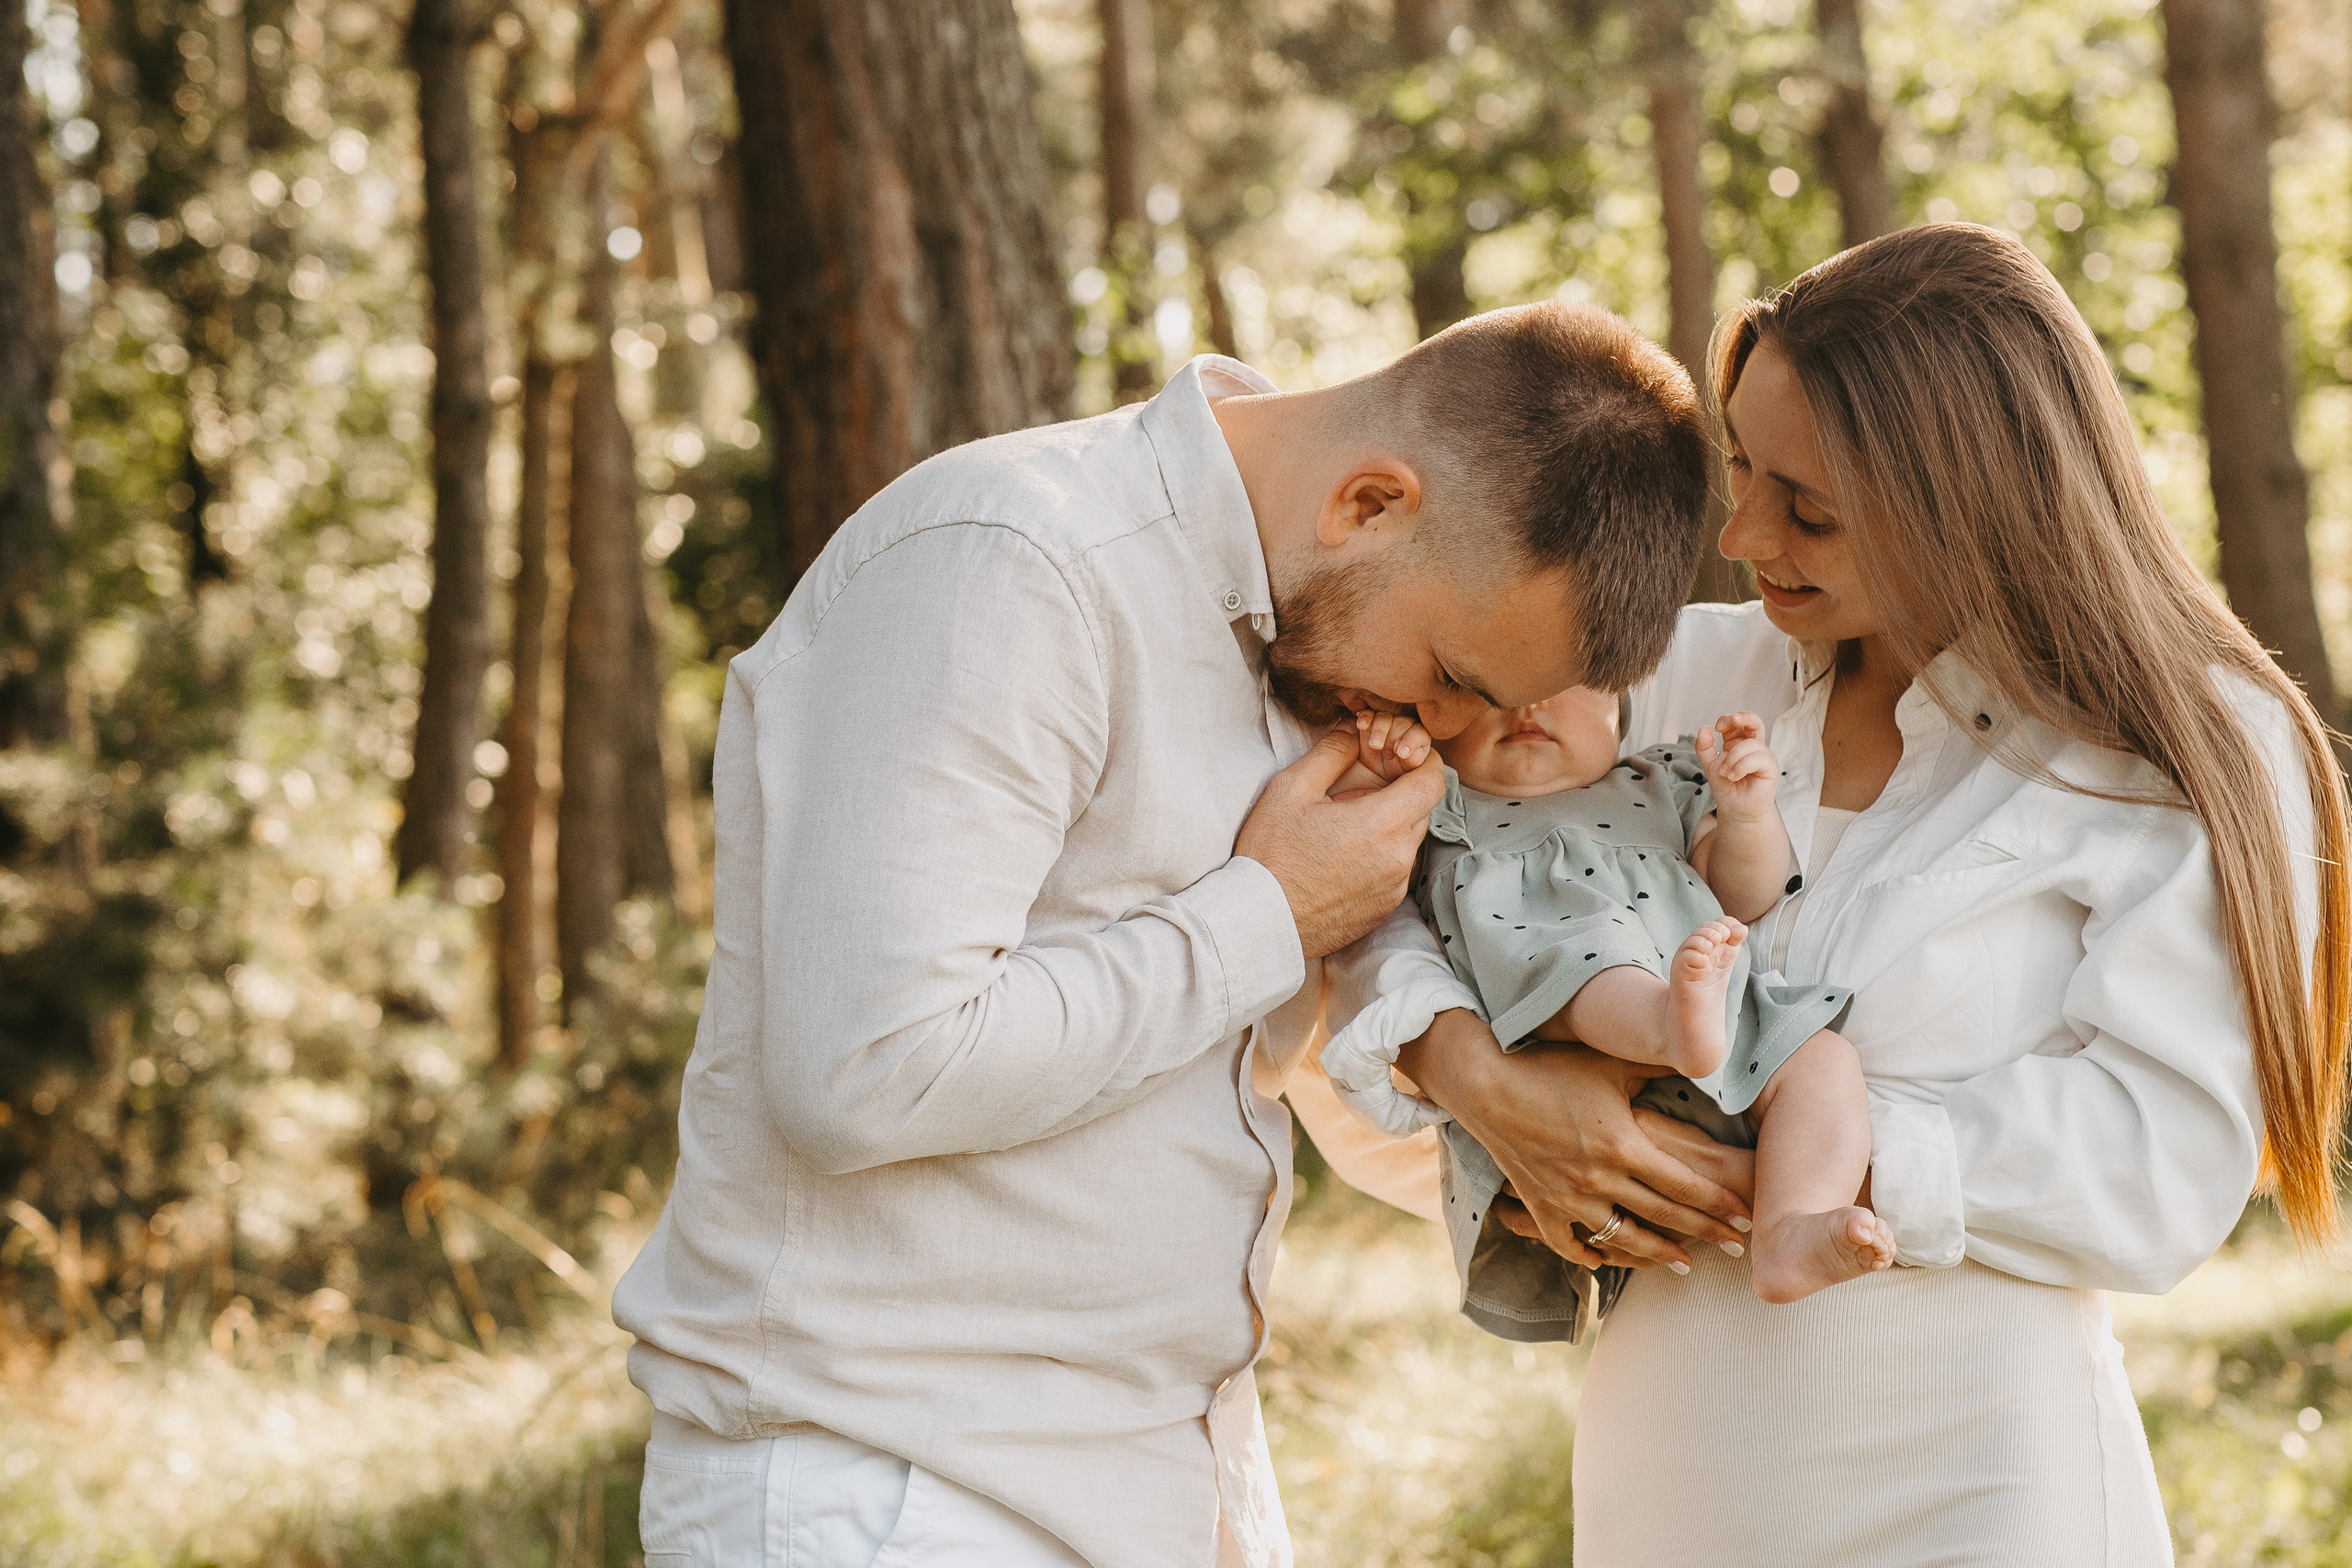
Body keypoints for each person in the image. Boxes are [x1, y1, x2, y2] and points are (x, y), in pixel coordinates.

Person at [612, 301, 1731, 1567]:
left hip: (1171, 1477)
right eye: (1452, 675)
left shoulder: (1302, 632)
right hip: (899, 1484)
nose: (1445, 724)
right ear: (1369, 504)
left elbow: (1232, 1063)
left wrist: (1512, 1115)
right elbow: (866, 1067)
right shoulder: (1009, 562)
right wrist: (1270, 910)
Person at [1358, 222, 2351, 1562]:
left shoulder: (2183, 756)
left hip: (1976, 1483)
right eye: (1742, 469)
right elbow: (1388, 872)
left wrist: (1792, 1145)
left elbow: (2158, 1172)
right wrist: (1477, 1075)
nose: (1741, 534)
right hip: (1673, 1470)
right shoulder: (1673, 681)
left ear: (1974, 505)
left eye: (1808, 508)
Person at [1323, 693, 1891, 1312]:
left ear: (1621, 703)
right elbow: (1353, 872)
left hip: (1725, 1044)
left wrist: (1746, 814)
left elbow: (1742, 895)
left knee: (1825, 1061)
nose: (1528, 702)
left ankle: (1788, 1230)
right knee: (1593, 947)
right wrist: (1375, 769)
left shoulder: (1660, 780)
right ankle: (1664, 1020)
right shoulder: (1438, 802)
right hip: (1556, 1064)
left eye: (1567, 680)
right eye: (1494, 687)